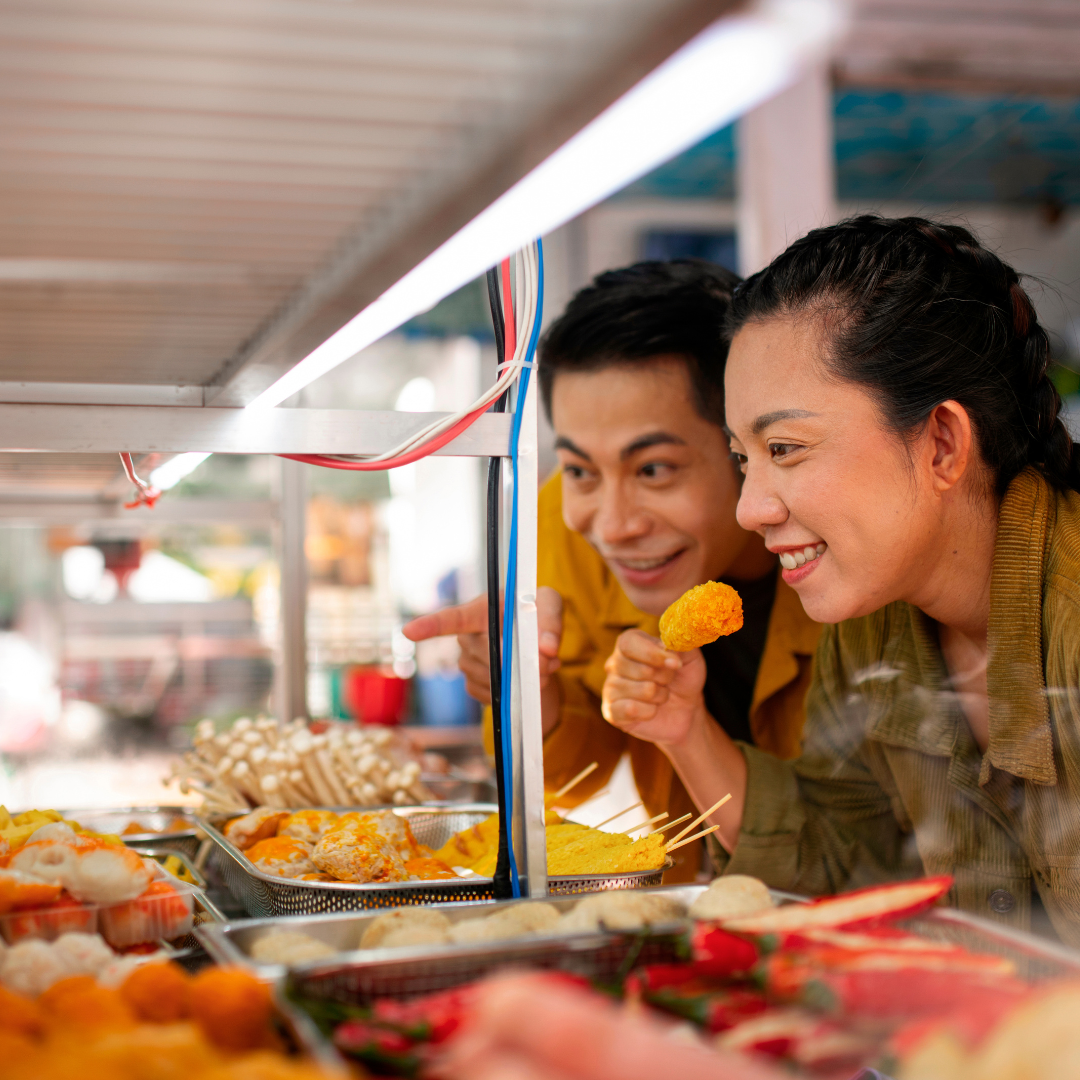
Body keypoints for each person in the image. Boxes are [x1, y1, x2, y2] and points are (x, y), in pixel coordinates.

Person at [601, 215, 1080, 939]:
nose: (751, 509)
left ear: (943, 443)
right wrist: (683, 730)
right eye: (742, 458)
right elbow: (843, 855)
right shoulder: (870, 627)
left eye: (785, 447)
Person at [404, 261, 821, 880]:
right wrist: (531, 694)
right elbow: (580, 772)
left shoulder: (845, 546)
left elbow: (861, 833)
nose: (615, 524)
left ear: (744, 446)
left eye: (653, 469)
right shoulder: (559, 525)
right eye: (579, 469)